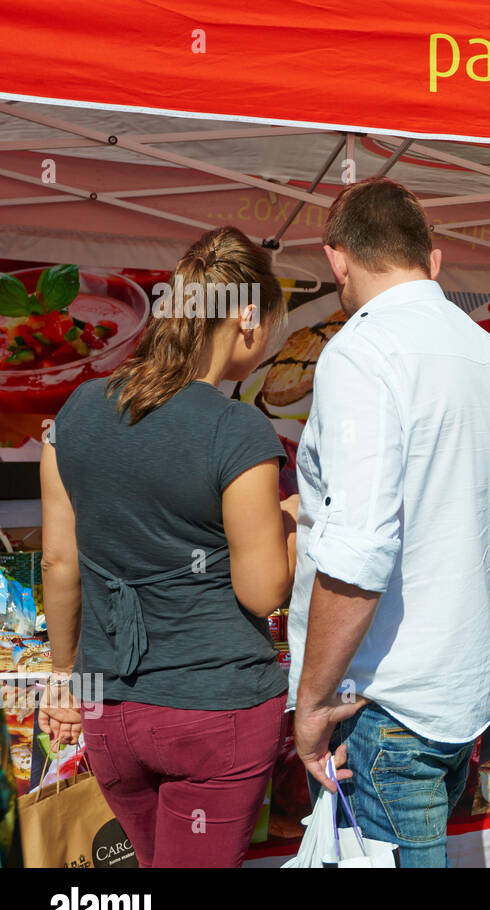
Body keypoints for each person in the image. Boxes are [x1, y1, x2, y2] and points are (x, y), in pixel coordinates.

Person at [288, 178, 490, 868]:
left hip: (385, 703)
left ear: (338, 260)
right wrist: (486, 588)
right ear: (432, 260)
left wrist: (312, 705)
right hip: (452, 692)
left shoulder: (361, 351)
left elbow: (358, 551)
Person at [38, 226, 296, 867]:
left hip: (110, 706)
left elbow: (59, 562)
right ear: (246, 321)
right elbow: (263, 591)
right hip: (213, 709)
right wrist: (292, 522)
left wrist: (64, 677)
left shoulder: (75, 412)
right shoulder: (237, 429)